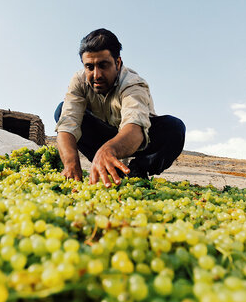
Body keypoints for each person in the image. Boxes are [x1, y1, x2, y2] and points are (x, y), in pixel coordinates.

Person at [55, 28, 186, 187]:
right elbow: (68, 123)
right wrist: (70, 164)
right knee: (61, 110)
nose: (96, 75)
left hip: (137, 139)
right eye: (89, 67)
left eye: (103, 65)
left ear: (118, 62)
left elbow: (135, 129)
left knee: (175, 128)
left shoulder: (132, 84)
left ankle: (139, 168)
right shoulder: (79, 81)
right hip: (104, 135)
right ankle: (110, 167)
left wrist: (108, 150)